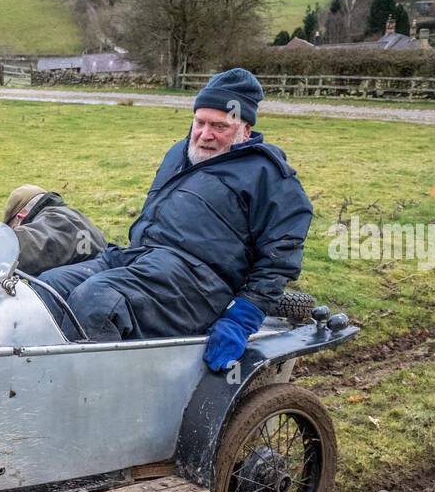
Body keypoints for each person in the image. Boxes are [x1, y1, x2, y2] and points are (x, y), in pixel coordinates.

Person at [38, 68, 313, 370]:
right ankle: (45, 385)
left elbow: (279, 257)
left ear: (245, 130)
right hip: (139, 257)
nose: (205, 135)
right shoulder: (181, 153)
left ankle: (102, 404)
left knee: (98, 300)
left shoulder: (268, 175)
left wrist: (242, 317)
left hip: (198, 283)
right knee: (48, 287)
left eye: (219, 126)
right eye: (200, 122)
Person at [2, 184, 107, 276]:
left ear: (20, 217)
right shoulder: (74, 216)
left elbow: (31, 244)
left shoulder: (53, 221)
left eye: (13, 228)